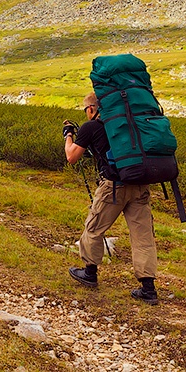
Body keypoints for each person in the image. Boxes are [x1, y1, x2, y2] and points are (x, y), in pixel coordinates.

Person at [63, 92, 160, 305]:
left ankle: (89, 272)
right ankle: (148, 288)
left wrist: (68, 135)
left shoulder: (91, 127)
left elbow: (71, 157)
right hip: (140, 186)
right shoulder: (130, 124)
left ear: (91, 109)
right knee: (142, 236)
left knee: (94, 227)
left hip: (113, 188)